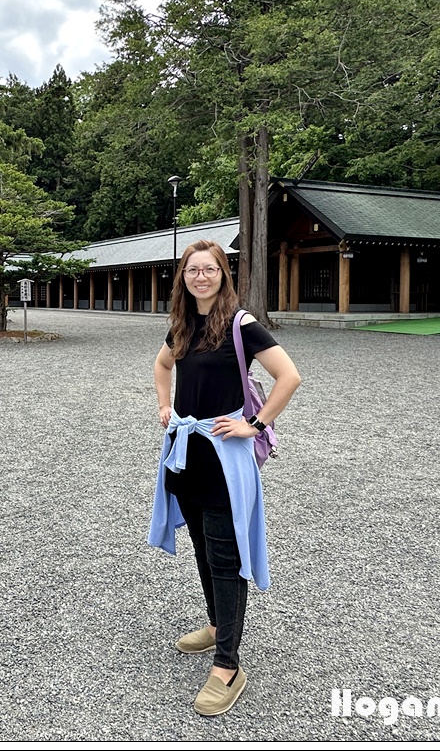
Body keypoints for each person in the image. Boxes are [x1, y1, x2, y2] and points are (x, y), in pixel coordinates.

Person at [150, 239, 301, 716]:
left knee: (226, 559)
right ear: (184, 277)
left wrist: (253, 425)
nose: (201, 276)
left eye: (209, 269)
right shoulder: (182, 323)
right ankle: (218, 625)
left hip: (223, 462)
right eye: (193, 270)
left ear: (223, 274)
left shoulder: (241, 323)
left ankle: (228, 665)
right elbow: (162, 365)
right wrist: (164, 406)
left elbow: (289, 376)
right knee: (203, 549)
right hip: (186, 454)